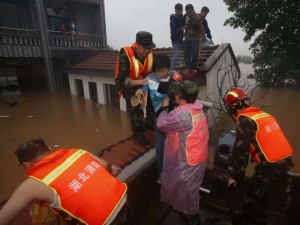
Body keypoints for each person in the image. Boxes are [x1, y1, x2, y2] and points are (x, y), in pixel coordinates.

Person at [0, 139, 128, 225]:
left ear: (26, 164)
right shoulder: (76, 152)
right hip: (123, 202)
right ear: (49, 149)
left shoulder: (32, 184)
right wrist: (113, 170)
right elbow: (105, 165)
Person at [224, 88, 294, 225]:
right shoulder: (263, 114)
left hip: (270, 166)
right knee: (261, 198)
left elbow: (241, 150)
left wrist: (236, 176)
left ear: (232, 107)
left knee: (250, 202)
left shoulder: (245, 120)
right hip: (285, 162)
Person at [157, 80, 209, 225]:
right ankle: (188, 211)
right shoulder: (197, 107)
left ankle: (192, 218)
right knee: (190, 188)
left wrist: (165, 108)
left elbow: (162, 125)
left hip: (189, 159)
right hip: (198, 155)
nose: (175, 96)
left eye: (177, 94)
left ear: (184, 99)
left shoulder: (182, 115)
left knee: (187, 191)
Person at [135, 54, 183, 183]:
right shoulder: (151, 77)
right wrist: (141, 90)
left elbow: (183, 85)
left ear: (168, 68)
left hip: (174, 112)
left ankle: (176, 169)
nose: (160, 74)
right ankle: (161, 173)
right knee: (160, 145)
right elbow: (148, 88)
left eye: (163, 71)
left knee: (176, 143)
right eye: (157, 71)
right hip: (159, 113)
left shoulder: (174, 75)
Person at [115, 31, 156, 145]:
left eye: (149, 48)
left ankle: (150, 122)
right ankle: (137, 133)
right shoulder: (126, 55)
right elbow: (122, 81)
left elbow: (153, 72)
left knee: (153, 96)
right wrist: (141, 83)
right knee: (137, 101)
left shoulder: (150, 54)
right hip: (127, 85)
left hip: (144, 83)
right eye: (144, 48)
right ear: (137, 45)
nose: (147, 51)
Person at [182, 4, 206, 70]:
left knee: (194, 55)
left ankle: (192, 69)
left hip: (195, 39)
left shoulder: (197, 18)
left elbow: (201, 28)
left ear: (193, 10)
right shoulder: (184, 16)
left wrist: (204, 38)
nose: (189, 14)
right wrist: (182, 28)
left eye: (190, 12)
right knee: (186, 55)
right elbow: (181, 25)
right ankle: (189, 68)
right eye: (187, 12)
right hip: (187, 38)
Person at [170, 3, 185, 70]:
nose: (179, 12)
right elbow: (173, 32)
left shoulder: (183, 17)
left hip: (181, 39)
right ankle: (172, 68)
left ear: (182, 10)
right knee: (175, 53)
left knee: (187, 50)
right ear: (175, 10)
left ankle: (183, 63)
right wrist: (181, 29)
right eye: (177, 10)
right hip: (175, 40)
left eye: (180, 10)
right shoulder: (173, 19)